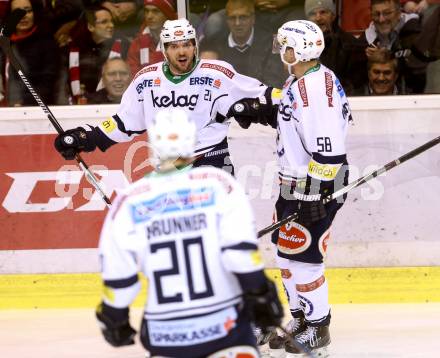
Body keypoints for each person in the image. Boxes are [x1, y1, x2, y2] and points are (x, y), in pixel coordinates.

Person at [95, 108, 283, 358]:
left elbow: (120, 279)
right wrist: (261, 295)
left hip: (165, 334)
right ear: (193, 140)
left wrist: (113, 317)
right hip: (226, 327)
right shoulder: (219, 184)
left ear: (153, 144)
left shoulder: (128, 201)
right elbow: (241, 255)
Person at [227, 20, 351, 356]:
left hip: (317, 185)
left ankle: (318, 328)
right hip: (296, 184)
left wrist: (313, 195)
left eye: (285, 43)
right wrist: (260, 112)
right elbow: (293, 119)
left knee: (306, 260)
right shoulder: (302, 78)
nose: (280, 47)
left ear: (299, 48)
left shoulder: (314, 90)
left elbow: (328, 154)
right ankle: (300, 318)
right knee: (287, 255)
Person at [54, 18, 275, 174]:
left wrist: (292, 99)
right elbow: (122, 124)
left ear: (194, 46)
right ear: (165, 49)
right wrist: (85, 137)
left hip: (212, 162)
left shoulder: (217, 73)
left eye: (187, 44)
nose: (182, 52)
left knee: (215, 233)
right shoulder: (146, 80)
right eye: (174, 46)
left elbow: (266, 96)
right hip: (170, 169)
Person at [199, 0, 285, 87]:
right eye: (232, 18)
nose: (237, 23)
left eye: (243, 17)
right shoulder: (212, 44)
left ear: (253, 19)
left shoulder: (273, 42)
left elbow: (274, 81)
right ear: (226, 20)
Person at [59, 5, 130, 104]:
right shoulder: (70, 51)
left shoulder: (124, 46)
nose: (111, 25)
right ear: (90, 26)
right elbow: (61, 87)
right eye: (104, 22)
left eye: (111, 21)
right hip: (76, 109)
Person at [0, 0, 62, 106]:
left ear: (35, 14)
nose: (23, 16)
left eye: (28, 11)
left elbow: (47, 84)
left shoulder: (47, 44)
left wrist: (24, 105)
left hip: (34, 111)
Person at [359, 0, 427, 93]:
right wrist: (366, 59)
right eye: (376, 14)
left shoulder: (416, 32)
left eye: (387, 13)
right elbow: (357, 80)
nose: (381, 19)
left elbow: (419, 68)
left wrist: (387, 57)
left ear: (399, 12)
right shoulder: (365, 39)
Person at [304, 0, 365, 93]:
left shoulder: (349, 43)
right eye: (312, 14)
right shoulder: (301, 45)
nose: (318, 18)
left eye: (323, 12)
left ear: (333, 16)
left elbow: (356, 84)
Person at [126, 0, 177, 75]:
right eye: (146, 11)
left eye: (155, 11)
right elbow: (132, 73)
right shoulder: (137, 43)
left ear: (167, 15)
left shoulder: (179, 42)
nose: (149, 16)